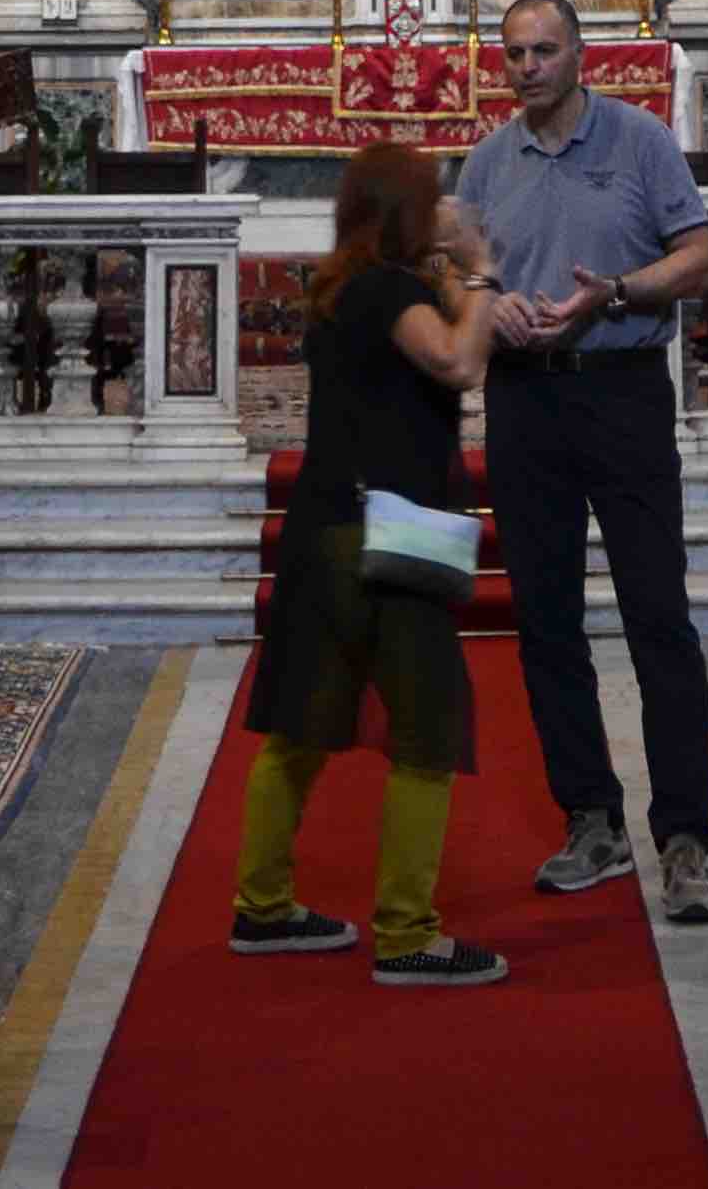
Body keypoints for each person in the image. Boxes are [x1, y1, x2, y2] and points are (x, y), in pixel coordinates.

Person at [457, 0, 708, 924]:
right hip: (526, 397)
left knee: (660, 614)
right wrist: (488, 308)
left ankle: (685, 837)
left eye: (544, 49)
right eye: (515, 52)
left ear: (580, 54)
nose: (528, 65)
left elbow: (699, 259)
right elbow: (466, 278)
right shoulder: (488, 160)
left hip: (622, 392)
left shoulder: (641, 141)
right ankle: (592, 818)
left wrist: (611, 291)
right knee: (546, 620)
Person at [233, 138, 508, 989]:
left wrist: (455, 279)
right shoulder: (390, 289)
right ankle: (405, 931)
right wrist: (485, 266)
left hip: (327, 522)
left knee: (301, 726)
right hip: (393, 529)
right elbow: (458, 359)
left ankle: (263, 905)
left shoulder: (339, 288)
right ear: (406, 211)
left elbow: (440, 334)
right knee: (428, 723)